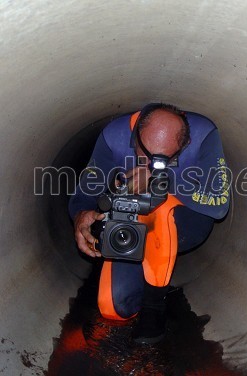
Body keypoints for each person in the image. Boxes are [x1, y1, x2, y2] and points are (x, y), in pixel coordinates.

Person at [68, 103, 230, 344]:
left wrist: (163, 180)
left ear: (183, 145)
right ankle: (142, 274)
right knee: (114, 307)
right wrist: (81, 213)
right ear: (136, 139)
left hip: (185, 224)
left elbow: (219, 204)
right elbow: (86, 192)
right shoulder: (115, 135)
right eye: (147, 155)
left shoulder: (204, 133)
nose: (153, 163)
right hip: (134, 226)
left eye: (164, 158)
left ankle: (155, 305)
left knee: (161, 204)